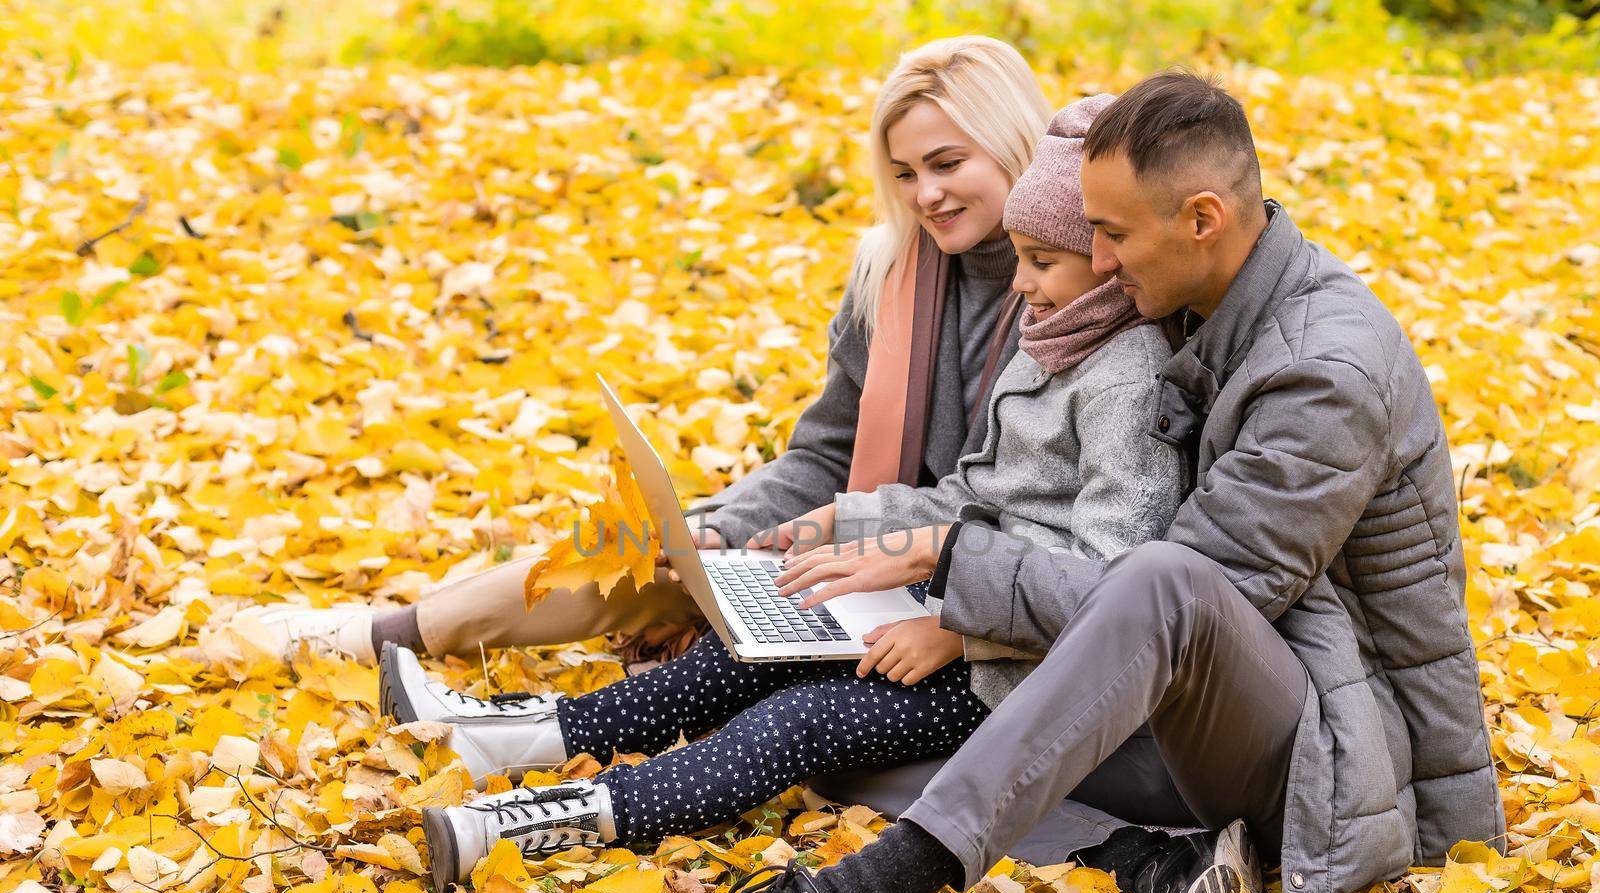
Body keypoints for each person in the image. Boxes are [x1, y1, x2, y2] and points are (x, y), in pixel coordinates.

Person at [602, 70, 1507, 893]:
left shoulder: (1322, 370)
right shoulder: (1207, 305)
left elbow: (1177, 608)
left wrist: (949, 564)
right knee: (860, 739)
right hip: (1214, 709)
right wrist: (883, 538)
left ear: (1203, 217)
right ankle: (1145, 859)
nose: (1101, 262)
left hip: (1334, 747)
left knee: (1165, 581)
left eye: (1112, 235)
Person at [409, 95, 1187, 893]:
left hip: (1011, 674)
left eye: (1041, 263)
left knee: (798, 722)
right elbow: (969, 496)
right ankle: (516, 739)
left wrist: (957, 634)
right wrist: (848, 524)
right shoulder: (1050, 343)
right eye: (1018, 259)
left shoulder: (1126, 380)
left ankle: (537, 824)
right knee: (739, 658)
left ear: (1103, 261)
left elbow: (1107, 581)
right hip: (952, 603)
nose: (1019, 282)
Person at [225, 35, 1049, 668]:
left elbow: (1035, 508)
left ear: (1011, 142)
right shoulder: (892, 270)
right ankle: (390, 632)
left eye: (947, 163)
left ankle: (400, 635)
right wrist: (724, 531)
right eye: (904, 173)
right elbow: (826, 452)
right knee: (651, 553)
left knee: (701, 606)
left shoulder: (1068, 291)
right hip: (840, 550)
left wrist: (822, 536)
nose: (926, 195)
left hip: (949, 585)